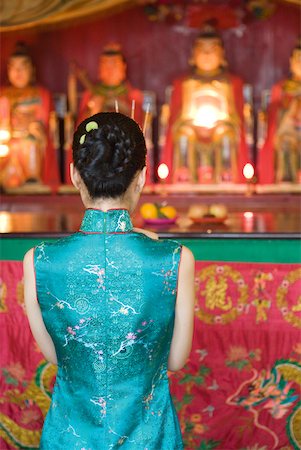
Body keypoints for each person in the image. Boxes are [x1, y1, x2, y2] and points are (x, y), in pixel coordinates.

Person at [23, 112, 195, 449]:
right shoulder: (175, 260)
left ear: (74, 175)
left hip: (68, 438)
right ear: (142, 178)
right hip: (152, 438)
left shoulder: (38, 261)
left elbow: (57, 357)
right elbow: (175, 360)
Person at [161, 25, 248, 184]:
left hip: (221, 128)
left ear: (223, 56)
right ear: (192, 56)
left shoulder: (229, 83)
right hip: (191, 128)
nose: (207, 55)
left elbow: (236, 118)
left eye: (213, 50)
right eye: (202, 50)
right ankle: (186, 176)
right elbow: (176, 118)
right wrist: (190, 124)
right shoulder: (186, 83)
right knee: (183, 134)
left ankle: (225, 176)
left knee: (225, 135)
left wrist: (220, 124)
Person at [64, 44, 146, 184]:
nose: (110, 70)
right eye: (105, 65)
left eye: (114, 65)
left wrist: (120, 106)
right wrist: (93, 109)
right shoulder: (91, 95)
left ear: (123, 68)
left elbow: (139, 124)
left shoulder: (133, 95)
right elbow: (81, 129)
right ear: (99, 69)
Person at [0, 42, 59, 189]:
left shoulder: (41, 94)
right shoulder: (3, 95)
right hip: (7, 139)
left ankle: (32, 180)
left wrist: (33, 126)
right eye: (13, 67)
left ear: (32, 70)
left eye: (23, 67)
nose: (17, 72)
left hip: (31, 138)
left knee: (30, 143)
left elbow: (44, 123)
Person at [258, 40, 301, 184]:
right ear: (291, 62)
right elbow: (274, 114)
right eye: (298, 59)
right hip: (288, 129)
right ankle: (285, 177)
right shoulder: (282, 87)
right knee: (285, 143)